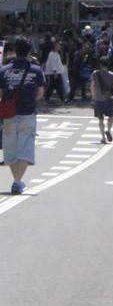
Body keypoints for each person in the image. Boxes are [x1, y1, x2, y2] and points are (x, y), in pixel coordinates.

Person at [1, 37, 46, 195]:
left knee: (10, 150)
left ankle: (17, 181)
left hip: (8, 115)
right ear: (29, 52)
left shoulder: (4, 70)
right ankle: (17, 182)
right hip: (27, 114)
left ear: (14, 50)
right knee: (25, 149)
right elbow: (40, 92)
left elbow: (1, 94)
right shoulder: (36, 70)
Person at [91, 56, 113, 143]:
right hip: (108, 98)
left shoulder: (95, 73)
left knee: (100, 119)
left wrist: (93, 96)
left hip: (98, 99)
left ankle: (103, 137)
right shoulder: (112, 75)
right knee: (111, 116)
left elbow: (92, 86)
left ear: (100, 64)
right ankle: (109, 130)